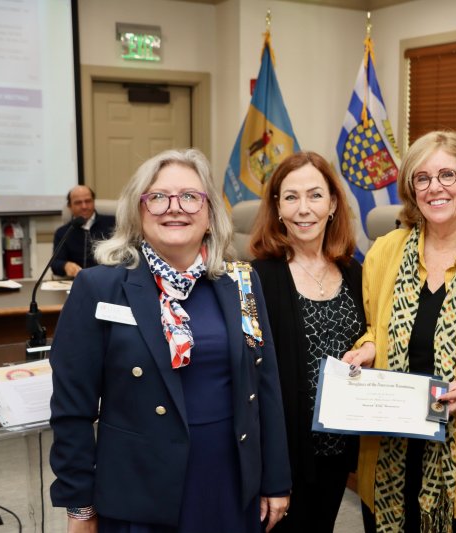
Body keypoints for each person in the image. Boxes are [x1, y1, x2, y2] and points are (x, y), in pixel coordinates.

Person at [48, 148, 291, 533]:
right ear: (138, 212)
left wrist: (276, 479)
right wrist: (79, 504)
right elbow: (72, 407)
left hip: (230, 484)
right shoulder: (98, 288)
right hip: (139, 491)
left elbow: (265, 387)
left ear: (210, 212)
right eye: (158, 197)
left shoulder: (241, 282)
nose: (174, 208)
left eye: (190, 196)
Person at [344, 130, 456, 533]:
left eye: (448, 175)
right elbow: (375, 330)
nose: (435, 188)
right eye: (422, 178)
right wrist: (364, 351)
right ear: (412, 190)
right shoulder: (383, 252)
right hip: (391, 447)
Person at [249, 151, 365, 533]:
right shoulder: (256, 279)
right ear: (277, 207)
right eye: (291, 197)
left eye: (315, 196)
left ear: (332, 204)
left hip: (336, 450)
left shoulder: (353, 271)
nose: (304, 209)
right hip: (282, 455)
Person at [51, 185, 116, 278]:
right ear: (70, 206)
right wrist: (65, 266)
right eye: (78, 203)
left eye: (88, 201)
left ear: (93, 202)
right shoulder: (63, 232)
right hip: (77, 282)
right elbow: (55, 263)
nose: (84, 206)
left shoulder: (113, 224)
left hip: (108, 280)